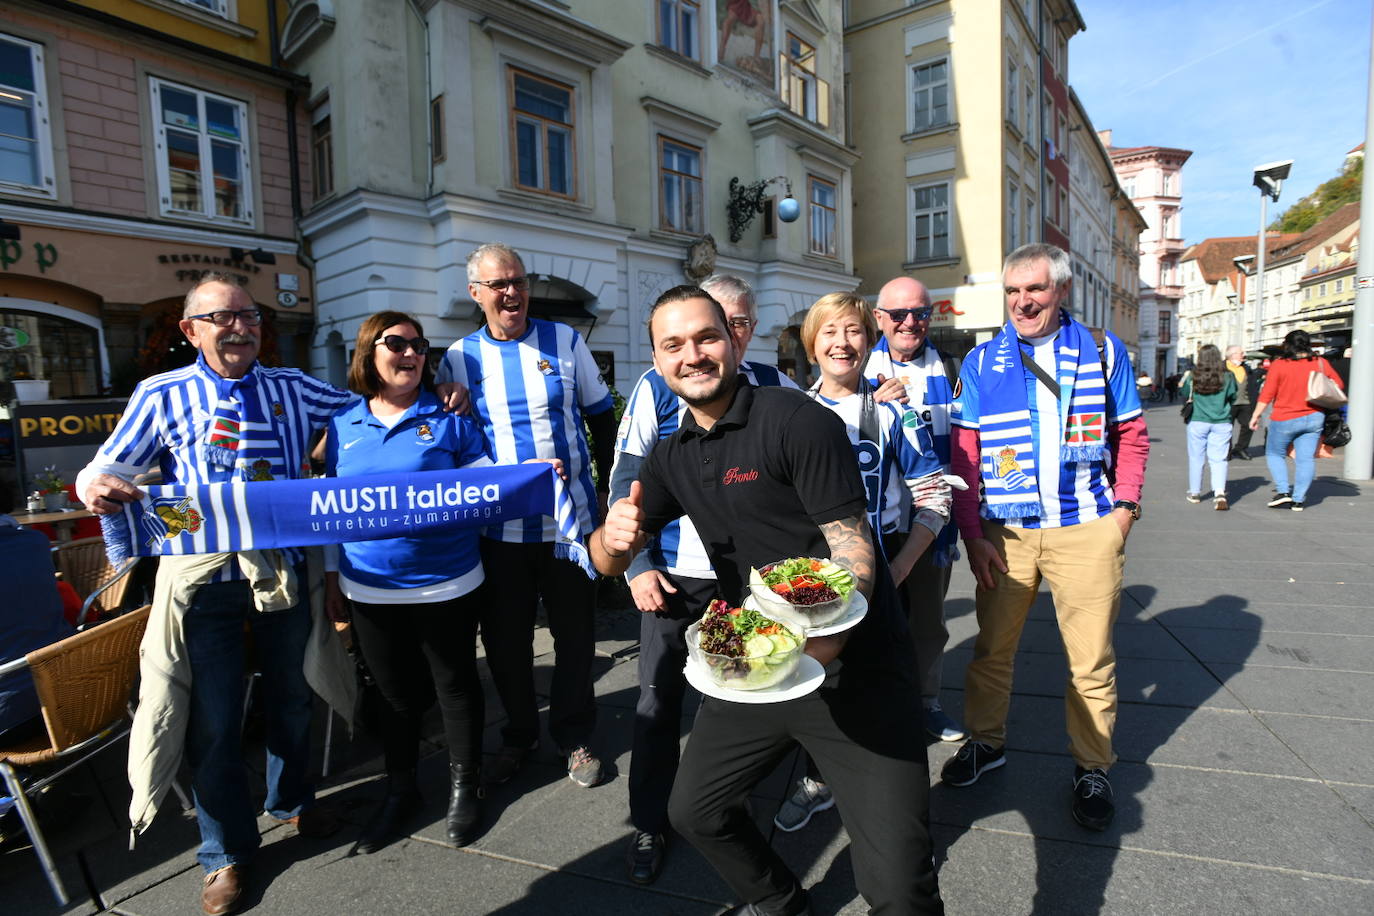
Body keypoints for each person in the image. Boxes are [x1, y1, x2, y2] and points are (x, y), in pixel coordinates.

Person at [594, 286, 944, 915]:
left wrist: (818, 648)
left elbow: (853, 550)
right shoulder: (671, 455)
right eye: (673, 345)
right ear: (655, 359)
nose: (693, 355)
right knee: (693, 812)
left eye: (706, 337)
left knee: (899, 890)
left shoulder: (793, 419)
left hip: (855, 671)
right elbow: (609, 558)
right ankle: (785, 907)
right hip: (760, 667)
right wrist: (611, 541)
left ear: (732, 340)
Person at [76, 273, 353, 915]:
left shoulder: (292, 387)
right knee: (215, 720)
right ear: (191, 329)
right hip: (204, 583)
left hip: (282, 569)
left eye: (249, 316)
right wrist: (94, 484)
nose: (240, 327)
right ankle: (224, 853)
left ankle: (292, 804)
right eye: (223, 317)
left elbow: (370, 414)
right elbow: (108, 465)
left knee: (291, 697)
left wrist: (433, 392)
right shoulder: (160, 393)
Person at [942, 243, 1149, 833]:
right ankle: (986, 743)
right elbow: (965, 452)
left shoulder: (1104, 352)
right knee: (992, 652)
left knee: (1091, 662)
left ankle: (1093, 767)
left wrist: (1125, 511)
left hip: (1086, 527)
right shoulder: (983, 362)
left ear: (1061, 292)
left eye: (1034, 289)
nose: (1022, 302)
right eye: (1012, 291)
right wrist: (972, 532)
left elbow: (1132, 435)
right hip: (1007, 534)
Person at [610, 274, 797, 884]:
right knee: (658, 703)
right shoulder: (657, 384)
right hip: (673, 576)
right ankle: (649, 822)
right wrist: (637, 565)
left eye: (739, 325)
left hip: (747, 585)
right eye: (725, 321)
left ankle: (726, 813)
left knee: (744, 697)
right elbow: (626, 481)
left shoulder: (775, 385)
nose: (729, 337)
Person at [771, 293, 954, 838]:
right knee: (816, 688)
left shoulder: (896, 415)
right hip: (810, 579)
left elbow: (935, 498)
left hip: (881, 576)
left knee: (884, 693)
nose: (840, 343)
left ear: (868, 341)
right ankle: (817, 780)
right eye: (828, 332)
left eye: (851, 331)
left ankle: (894, 814)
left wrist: (897, 572)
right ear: (811, 345)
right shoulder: (787, 415)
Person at [435, 243, 616, 788]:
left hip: (569, 526)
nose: (511, 292)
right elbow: (450, 440)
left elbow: (603, 419)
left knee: (576, 638)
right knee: (508, 642)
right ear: (476, 294)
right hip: (498, 531)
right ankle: (518, 734)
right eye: (498, 284)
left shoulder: (565, 341)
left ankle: (574, 735)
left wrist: (610, 494)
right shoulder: (458, 358)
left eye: (517, 281)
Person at [323, 311, 496, 852]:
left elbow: (487, 488)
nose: (411, 353)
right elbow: (327, 509)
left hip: (447, 581)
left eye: (419, 345)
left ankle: (465, 786)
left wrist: (535, 478)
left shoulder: (450, 417)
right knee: (394, 697)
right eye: (395, 343)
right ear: (368, 354)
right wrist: (332, 575)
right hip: (369, 587)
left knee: (455, 685)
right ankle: (400, 791)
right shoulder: (342, 425)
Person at [863, 276, 965, 743]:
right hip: (874, 521)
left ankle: (927, 701)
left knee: (927, 620)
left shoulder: (951, 367)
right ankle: (880, 703)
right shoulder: (858, 366)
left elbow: (966, 443)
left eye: (920, 313)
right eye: (899, 314)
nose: (910, 323)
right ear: (879, 318)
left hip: (929, 519)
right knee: (871, 620)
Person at [1248, 330, 1345, 512]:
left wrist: (1256, 415)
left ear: (1287, 345)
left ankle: (1284, 492)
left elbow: (1267, 394)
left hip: (1285, 417)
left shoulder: (1280, 364)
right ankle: (1299, 500)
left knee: (1275, 453)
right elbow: (1338, 384)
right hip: (1314, 416)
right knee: (1305, 459)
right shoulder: (1321, 363)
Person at [1181, 345, 1237, 510]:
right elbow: (1233, 396)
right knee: (1219, 459)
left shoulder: (1193, 375)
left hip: (1198, 420)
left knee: (1196, 457)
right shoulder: (1228, 376)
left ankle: (1195, 492)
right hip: (1222, 421)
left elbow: (1184, 392)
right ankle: (1219, 492)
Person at [1225, 346, 1256, 460]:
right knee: (1227, 428)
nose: (1243, 355)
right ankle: (1226, 450)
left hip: (1245, 402)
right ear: (1232, 354)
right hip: (1228, 403)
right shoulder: (1222, 367)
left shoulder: (1246, 368)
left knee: (1249, 425)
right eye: (1241, 353)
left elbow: (1252, 385)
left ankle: (1241, 448)